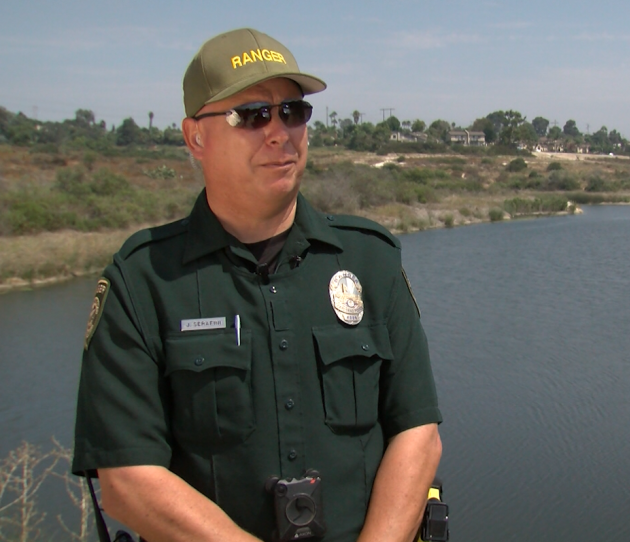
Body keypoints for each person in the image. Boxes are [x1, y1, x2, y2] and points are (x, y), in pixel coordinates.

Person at [72, 28, 442, 542]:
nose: (279, 132)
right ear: (195, 137)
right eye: (251, 115)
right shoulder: (144, 281)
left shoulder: (370, 260)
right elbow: (127, 480)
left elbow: (417, 434)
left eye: (292, 111)